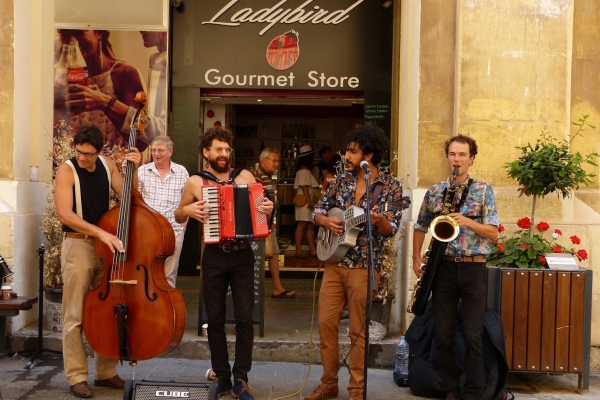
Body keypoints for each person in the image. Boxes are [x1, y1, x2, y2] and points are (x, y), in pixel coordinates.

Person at [174, 127, 273, 400]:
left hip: (243, 254)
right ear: (206, 152)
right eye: (218, 149)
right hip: (214, 255)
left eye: (227, 149)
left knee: (245, 318)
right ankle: (223, 377)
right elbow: (178, 214)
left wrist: (268, 209)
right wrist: (188, 210)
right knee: (214, 318)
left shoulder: (245, 176)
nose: (224, 154)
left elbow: (261, 213)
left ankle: (241, 378)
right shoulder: (196, 182)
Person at [308, 125, 404, 400]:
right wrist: (325, 220)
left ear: (369, 155)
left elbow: (391, 229)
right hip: (334, 265)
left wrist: (381, 219)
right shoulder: (340, 181)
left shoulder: (390, 187)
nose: (346, 155)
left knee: (358, 331)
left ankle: (356, 388)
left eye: (352, 151)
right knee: (326, 324)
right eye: (347, 150)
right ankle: (328, 383)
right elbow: (318, 210)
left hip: (363, 267)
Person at [54, 125, 141, 398]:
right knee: (74, 315)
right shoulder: (66, 170)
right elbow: (65, 214)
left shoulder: (106, 164)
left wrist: (133, 171)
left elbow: (131, 198)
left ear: (99, 151)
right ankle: (77, 376)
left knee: (109, 310)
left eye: (88, 154)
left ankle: (105, 372)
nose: (82, 158)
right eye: (78, 152)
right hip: (78, 245)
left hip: (106, 247)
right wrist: (102, 233)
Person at [412, 134, 499, 400]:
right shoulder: (436, 191)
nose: (456, 159)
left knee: (473, 335)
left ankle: (473, 392)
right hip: (444, 268)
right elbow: (420, 225)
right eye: (452, 154)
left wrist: (468, 222)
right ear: (447, 157)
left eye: (462, 155)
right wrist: (416, 257)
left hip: (473, 268)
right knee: (444, 334)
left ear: (471, 158)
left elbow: (494, 233)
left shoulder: (484, 190)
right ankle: (450, 388)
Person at [54, 30, 151, 151]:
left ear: (99, 33)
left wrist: (105, 104)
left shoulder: (124, 74)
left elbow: (141, 141)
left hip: (114, 168)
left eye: (79, 33)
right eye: (66, 35)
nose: (72, 41)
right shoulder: (60, 80)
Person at [137, 135, 188, 288]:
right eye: (153, 150)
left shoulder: (181, 172)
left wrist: (183, 228)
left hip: (174, 231)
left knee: (169, 275)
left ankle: (167, 310)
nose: (156, 154)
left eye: (160, 150)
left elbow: (187, 201)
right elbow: (136, 200)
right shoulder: (142, 171)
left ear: (170, 152)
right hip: (147, 231)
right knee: (146, 271)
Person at [254, 148, 296, 298]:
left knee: (274, 253)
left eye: (278, 161)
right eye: (274, 160)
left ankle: (277, 288)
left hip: (267, 224)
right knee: (262, 255)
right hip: (261, 224)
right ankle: (259, 289)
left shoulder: (266, 177)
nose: (277, 164)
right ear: (264, 160)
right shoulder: (257, 177)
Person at [294, 145, 320, 258]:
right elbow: (304, 186)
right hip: (305, 200)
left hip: (307, 200)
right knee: (302, 224)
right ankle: (298, 251)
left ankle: (313, 250)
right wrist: (309, 201)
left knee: (310, 225)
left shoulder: (304, 169)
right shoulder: (303, 170)